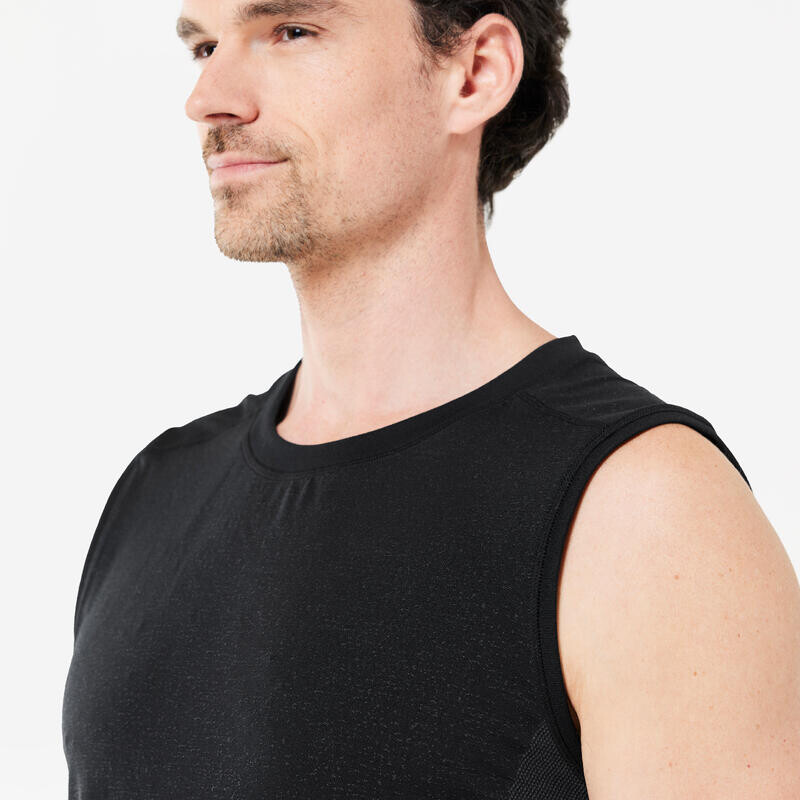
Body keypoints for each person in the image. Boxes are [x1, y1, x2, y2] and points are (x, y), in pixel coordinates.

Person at [62, 0, 800, 797]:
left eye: (292, 31)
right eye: (205, 46)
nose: (209, 98)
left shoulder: (643, 514)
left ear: (475, 72)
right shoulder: (157, 493)